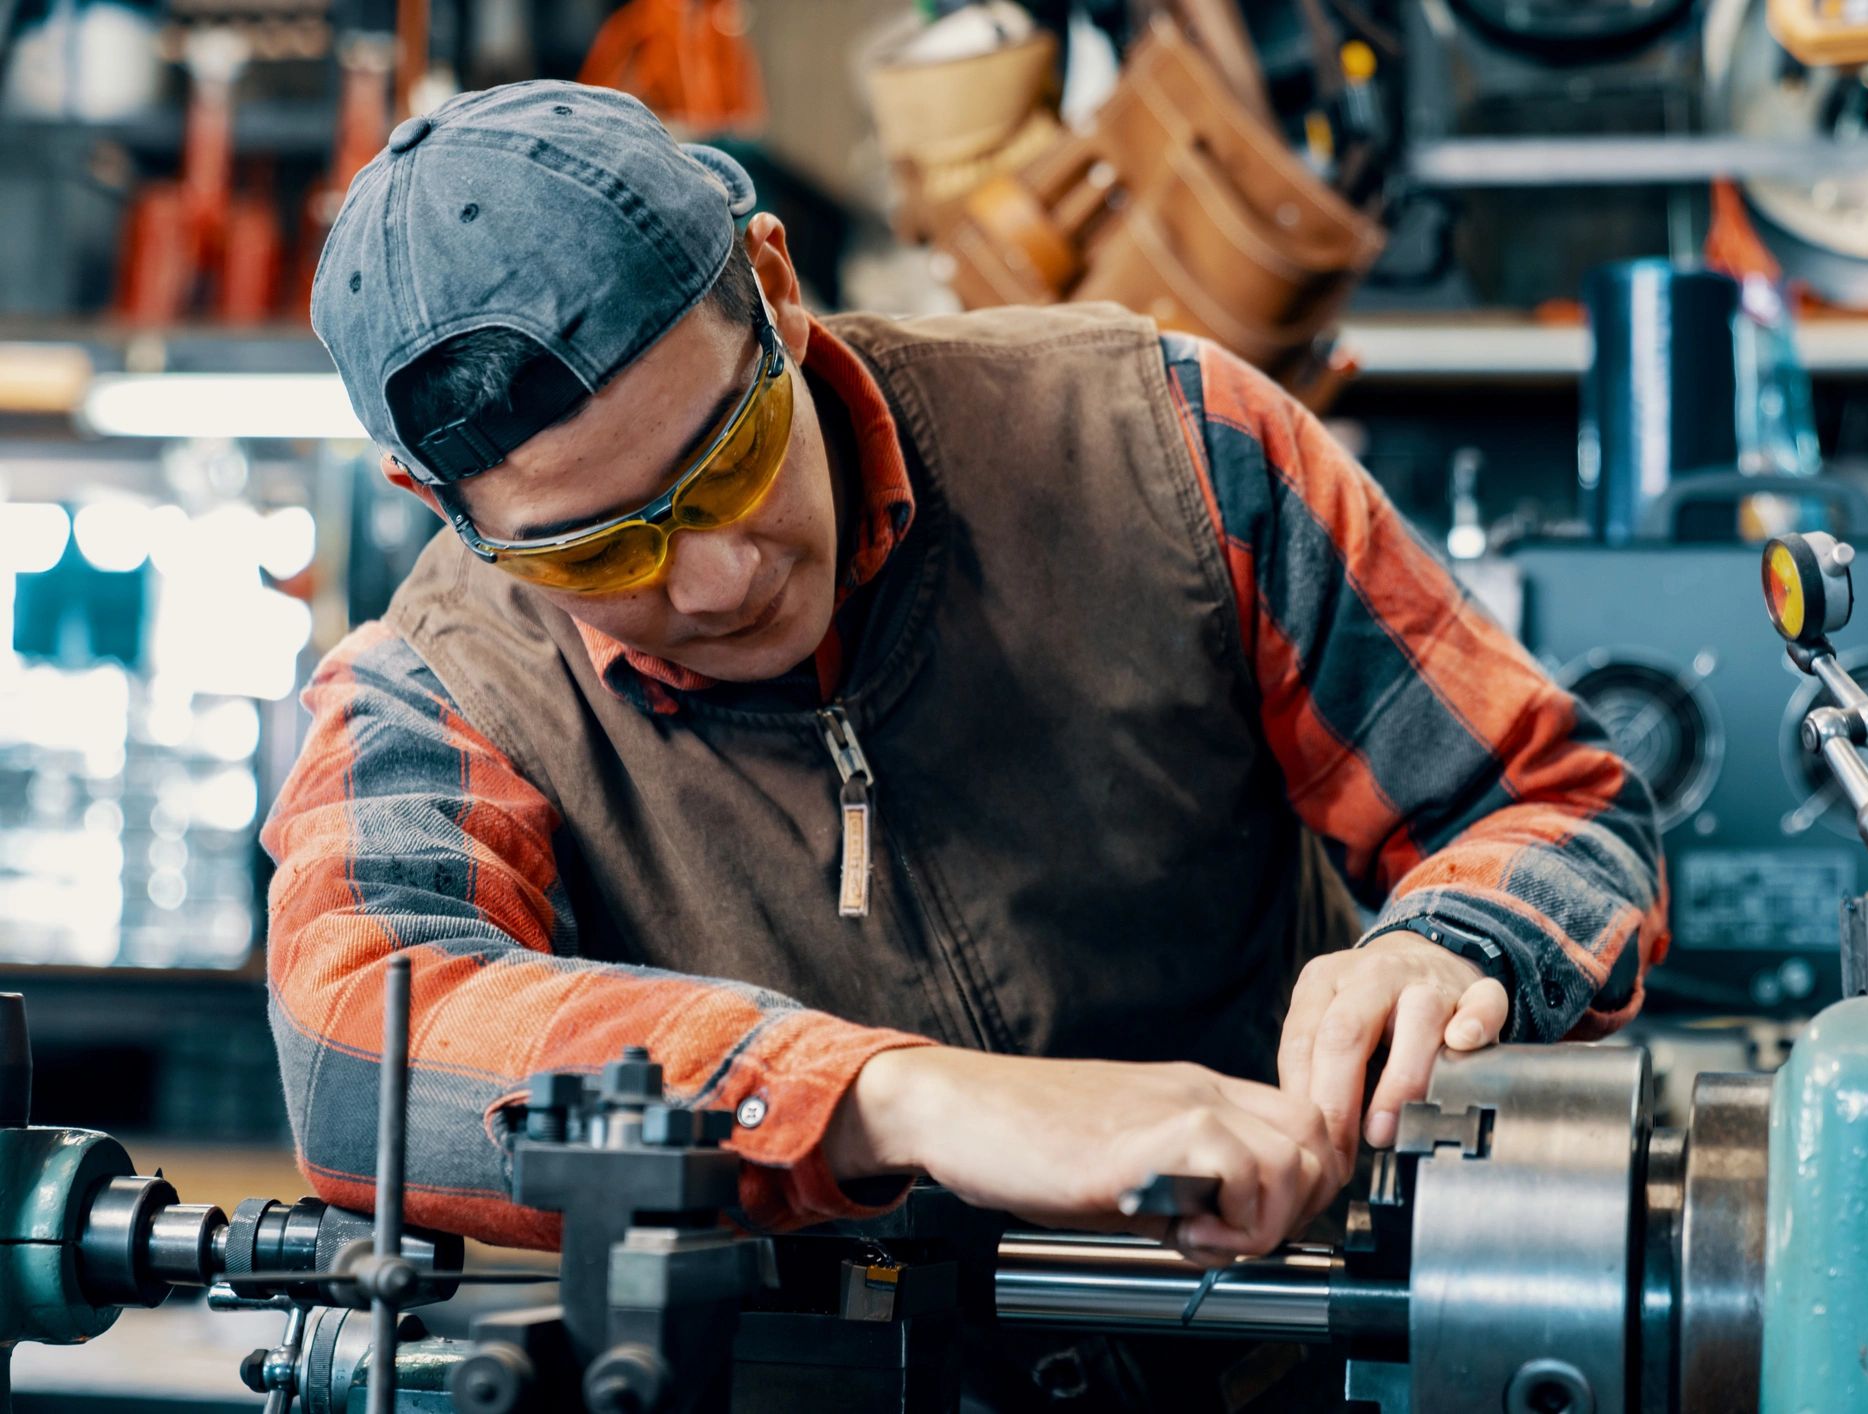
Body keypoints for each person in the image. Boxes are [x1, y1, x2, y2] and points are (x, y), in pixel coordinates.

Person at [270, 80, 1666, 1278]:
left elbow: (1547, 806)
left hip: (1265, 1353)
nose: (713, 580)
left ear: (772, 286)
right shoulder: (436, 687)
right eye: (595, 551)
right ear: (435, 500)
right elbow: (360, 1052)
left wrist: (1452, 948)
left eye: (730, 465)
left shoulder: (1164, 445)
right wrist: (892, 1097)